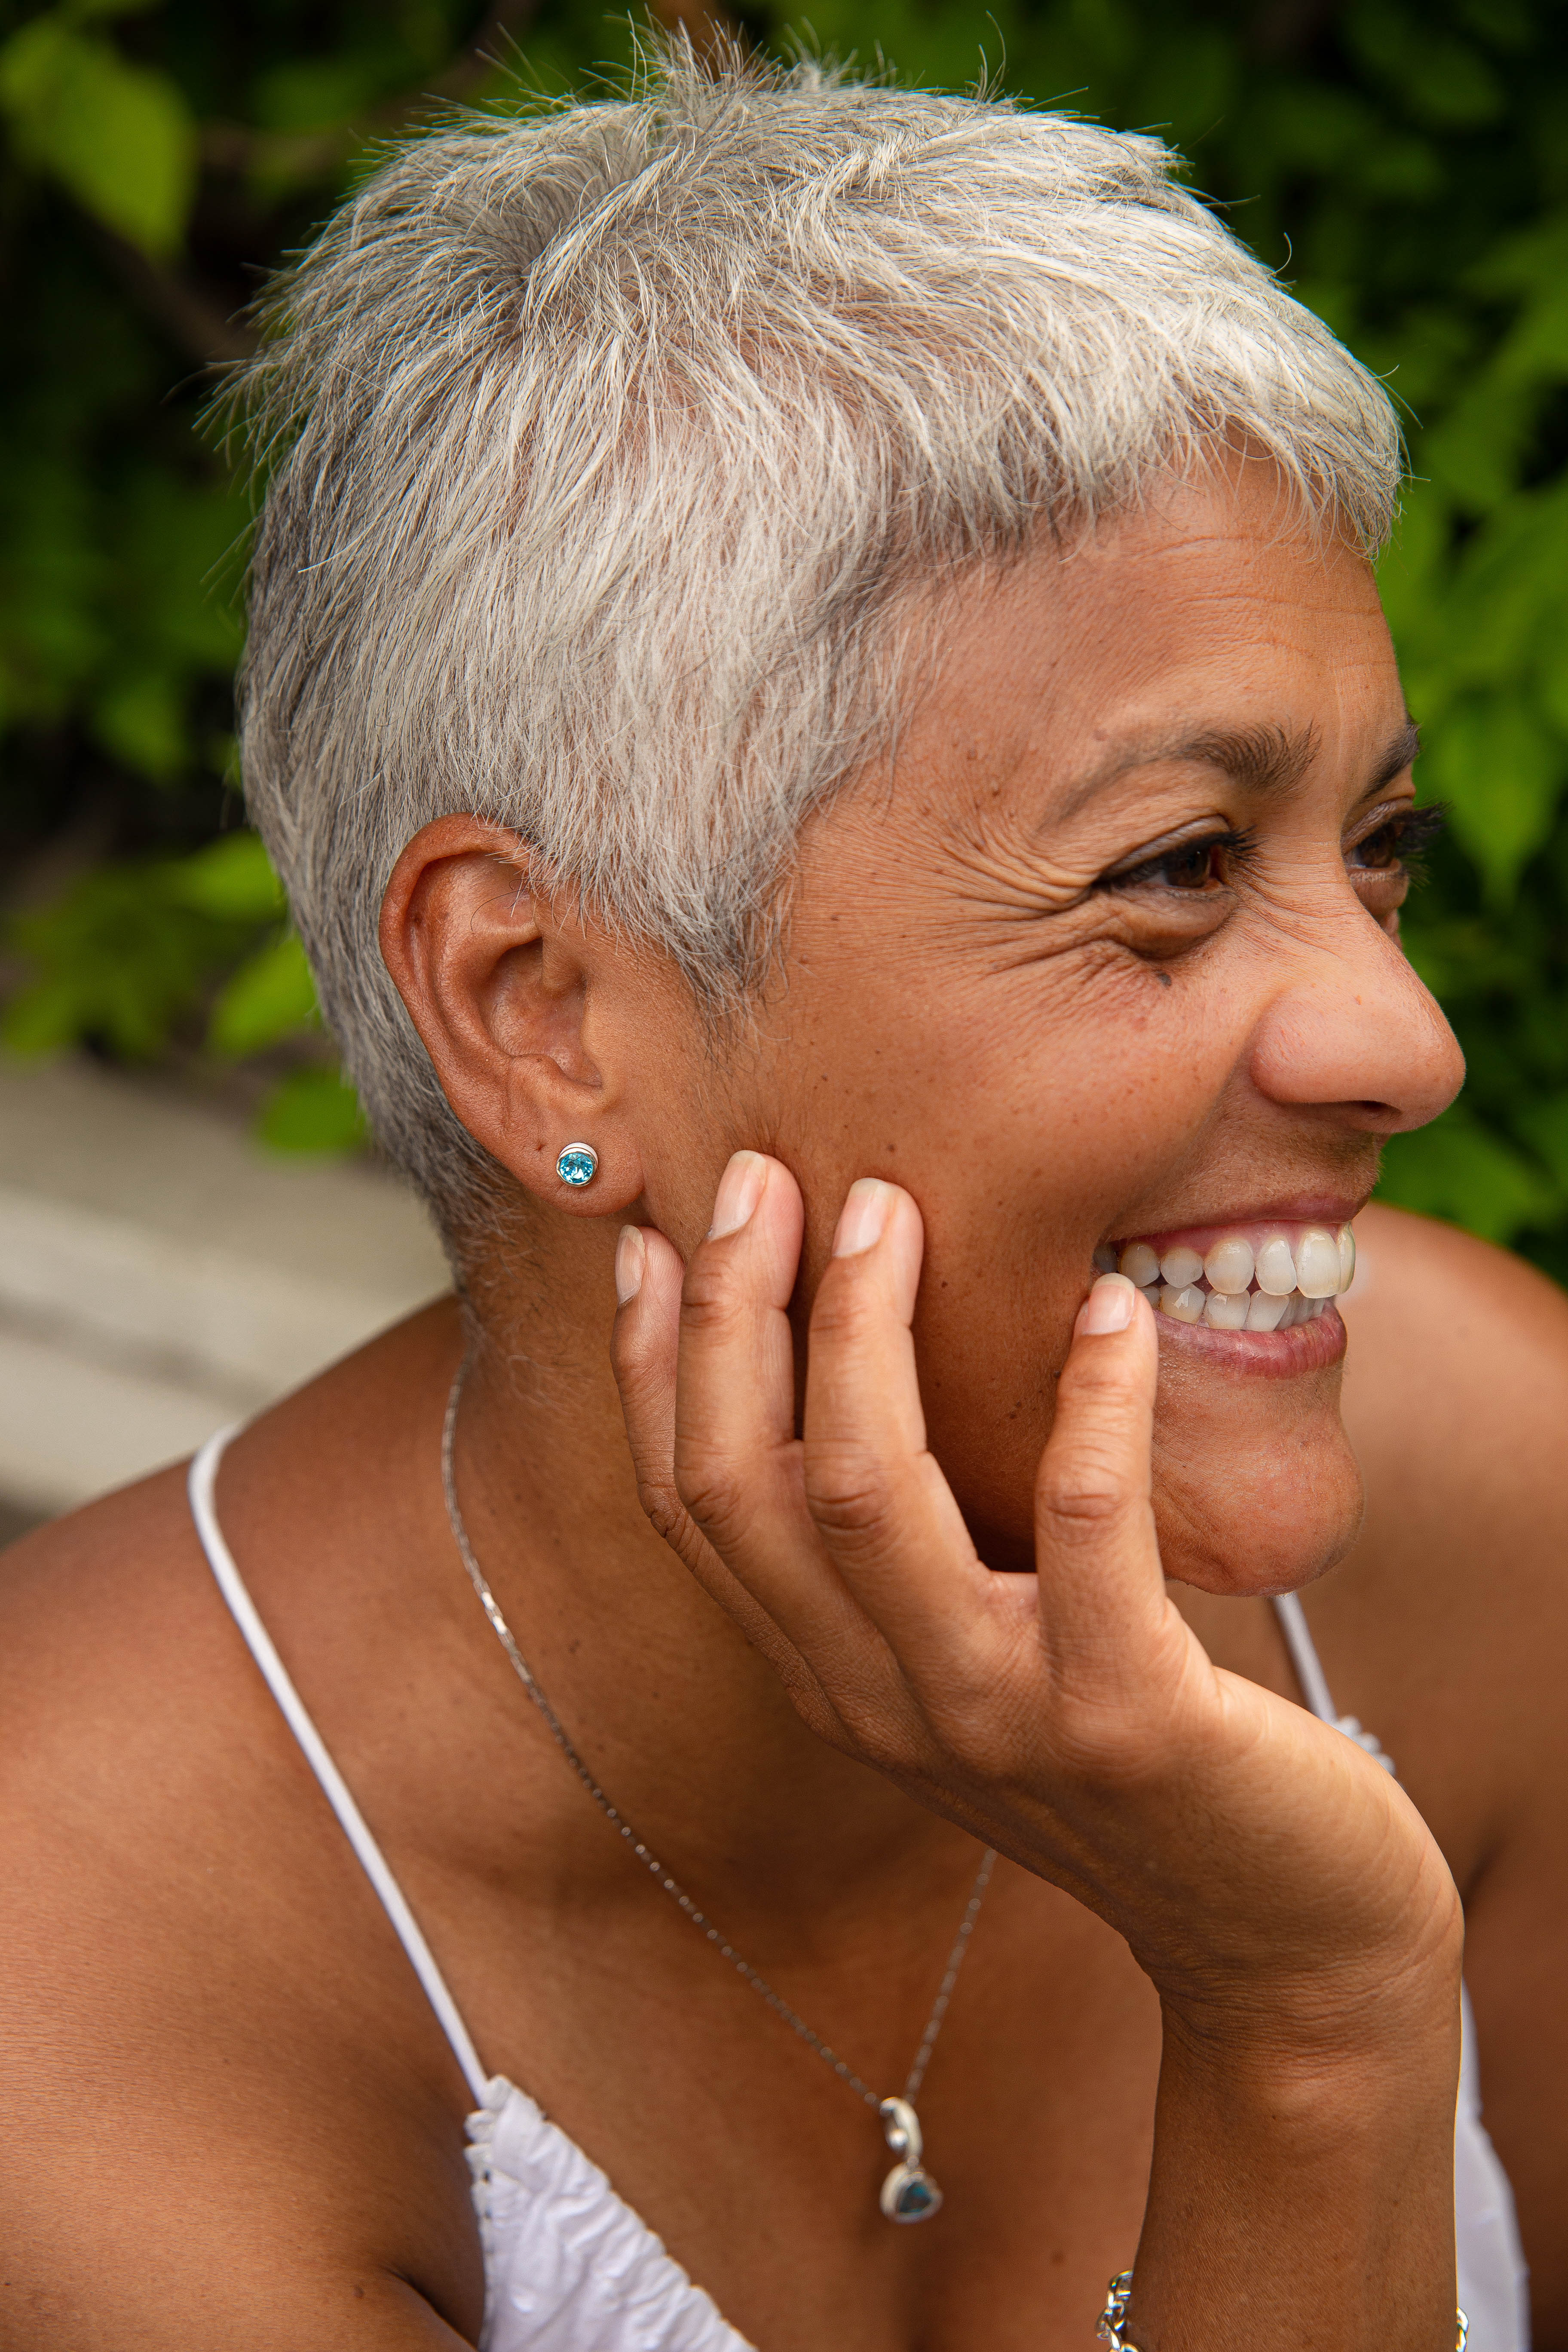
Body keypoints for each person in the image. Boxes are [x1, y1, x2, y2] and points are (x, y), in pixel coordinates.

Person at [0, 49, 1563, 2352]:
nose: (1404, 1043)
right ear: (539, 1006)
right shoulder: (89, 1960)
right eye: (1176, 869)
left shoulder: (1492, 1498)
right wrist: (1312, 2020)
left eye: (1377, 849)